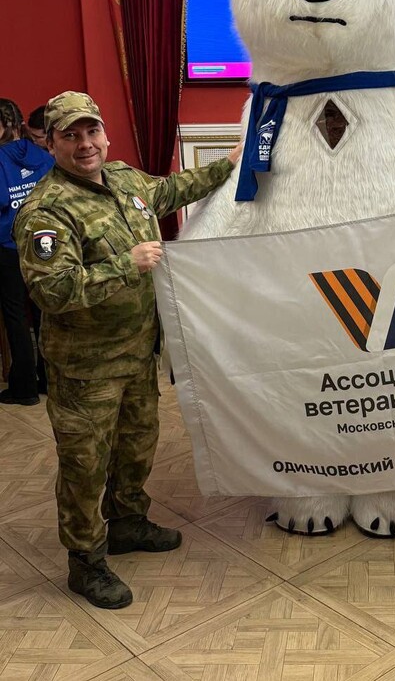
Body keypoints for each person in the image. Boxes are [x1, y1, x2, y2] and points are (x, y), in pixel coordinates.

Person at [15, 91, 242, 611]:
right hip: (86, 369)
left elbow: (173, 189)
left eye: (91, 131)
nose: (85, 144)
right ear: (50, 144)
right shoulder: (46, 210)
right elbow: (51, 291)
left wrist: (230, 162)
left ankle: (128, 522)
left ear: (105, 134)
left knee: (137, 446)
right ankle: (86, 561)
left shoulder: (124, 179)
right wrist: (127, 263)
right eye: (70, 135)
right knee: (85, 465)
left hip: (139, 354)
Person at [0, 99, 54, 405]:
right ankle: (47, 379)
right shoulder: (42, 154)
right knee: (44, 311)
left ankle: (24, 387)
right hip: (43, 242)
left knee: (16, 316)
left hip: (8, 246)